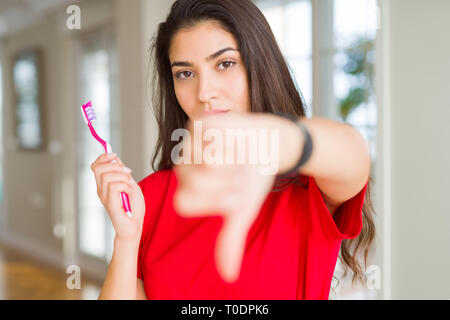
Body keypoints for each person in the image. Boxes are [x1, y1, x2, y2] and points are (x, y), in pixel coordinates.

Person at [93, 0, 375, 300]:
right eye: (185, 73)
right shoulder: (149, 198)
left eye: (225, 64)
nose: (204, 92)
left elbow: (354, 156)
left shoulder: (306, 188)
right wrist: (126, 238)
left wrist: (278, 139)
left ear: (260, 64)